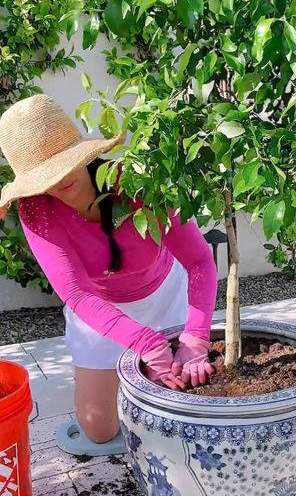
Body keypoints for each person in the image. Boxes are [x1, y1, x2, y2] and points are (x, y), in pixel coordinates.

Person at [0, 94, 217, 455]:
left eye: (64, 164)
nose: (57, 181)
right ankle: (99, 374)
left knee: (181, 398)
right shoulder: (36, 209)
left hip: (162, 295)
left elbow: (199, 262)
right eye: (44, 177)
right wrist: (146, 343)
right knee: (99, 430)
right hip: (99, 311)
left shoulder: (135, 184)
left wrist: (195, 337)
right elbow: (78, 295)